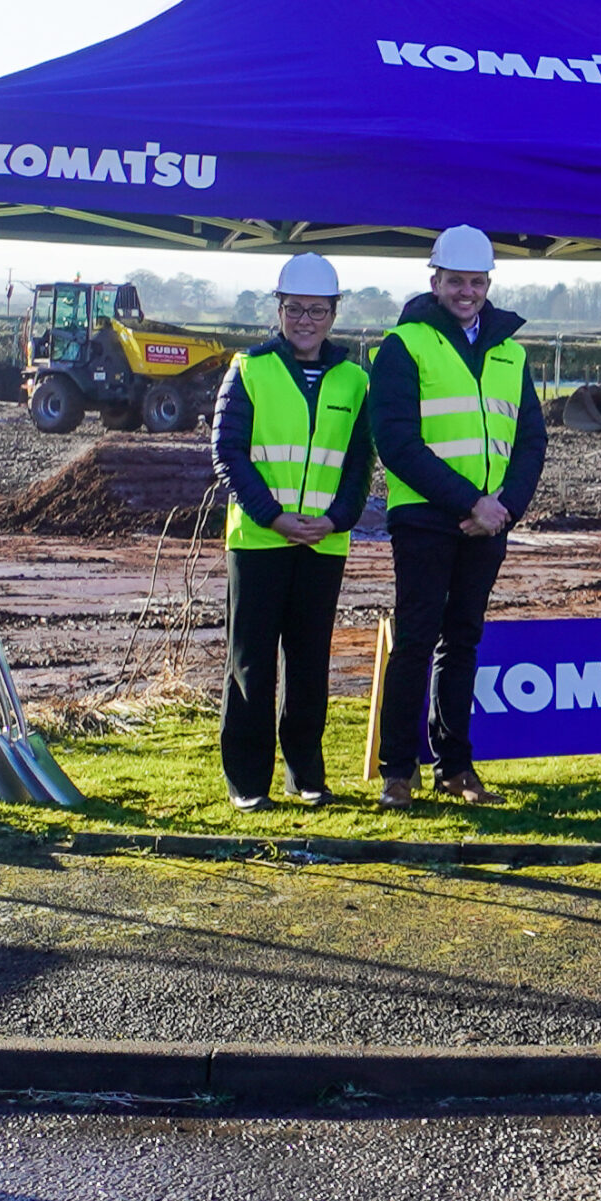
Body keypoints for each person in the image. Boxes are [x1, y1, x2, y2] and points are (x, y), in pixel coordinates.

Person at [370, 225, 548, 809]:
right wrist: (470, 502)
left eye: (476, 282)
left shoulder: (511, 352)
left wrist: (502, 510)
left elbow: (530, 442)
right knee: (417, 641)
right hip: (425, 518)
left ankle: (455, 767)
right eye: (455, 282)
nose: (466, 292)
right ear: (435, 281)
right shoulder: (404, 346)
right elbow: (396, 442)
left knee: (463, 642)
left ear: (488, 284)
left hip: (489, 522)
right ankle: (399, 769)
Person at [210, 253, 376, 811]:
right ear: (279, 309)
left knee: (309, 663)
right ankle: (248, 782)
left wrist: (336, 520)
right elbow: (227, 453)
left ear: (334, 313)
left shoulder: (355, 380)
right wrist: (273, 516)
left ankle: (306, 774)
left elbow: (359, 463)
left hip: (325, 543)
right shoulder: (249, 368)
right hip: (259, 542)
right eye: (295, 309)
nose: (305, 320)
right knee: (251, 663)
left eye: (317, 310)